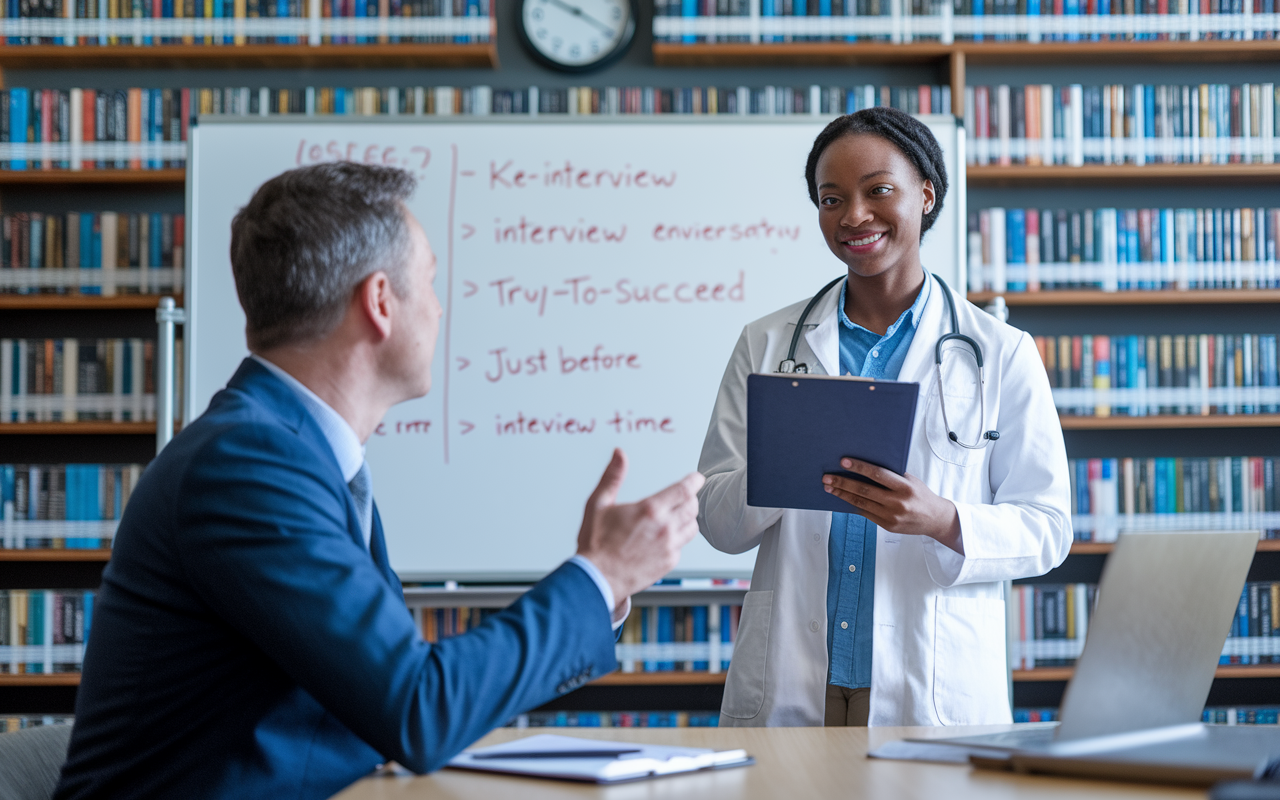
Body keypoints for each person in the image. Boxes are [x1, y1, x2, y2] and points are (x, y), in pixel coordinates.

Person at [55, 163, 704, 799]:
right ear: (380, 302)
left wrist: (602, 581)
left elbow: (386, 691)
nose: (442, 309)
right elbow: (417, 709)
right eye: (429, 282)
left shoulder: (296, 451)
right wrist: (603, 575)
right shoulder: (247, 464)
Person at [696, 107, 1072, 728]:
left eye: (879, 191)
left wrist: (943, 520)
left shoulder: (1001, 351)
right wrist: (781, 467)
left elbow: (1048, 526)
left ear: (926, 194)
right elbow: (715, 517)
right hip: (796, 680)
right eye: (831, 198)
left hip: (930, 684)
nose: (853, 216)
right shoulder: (767, 343)